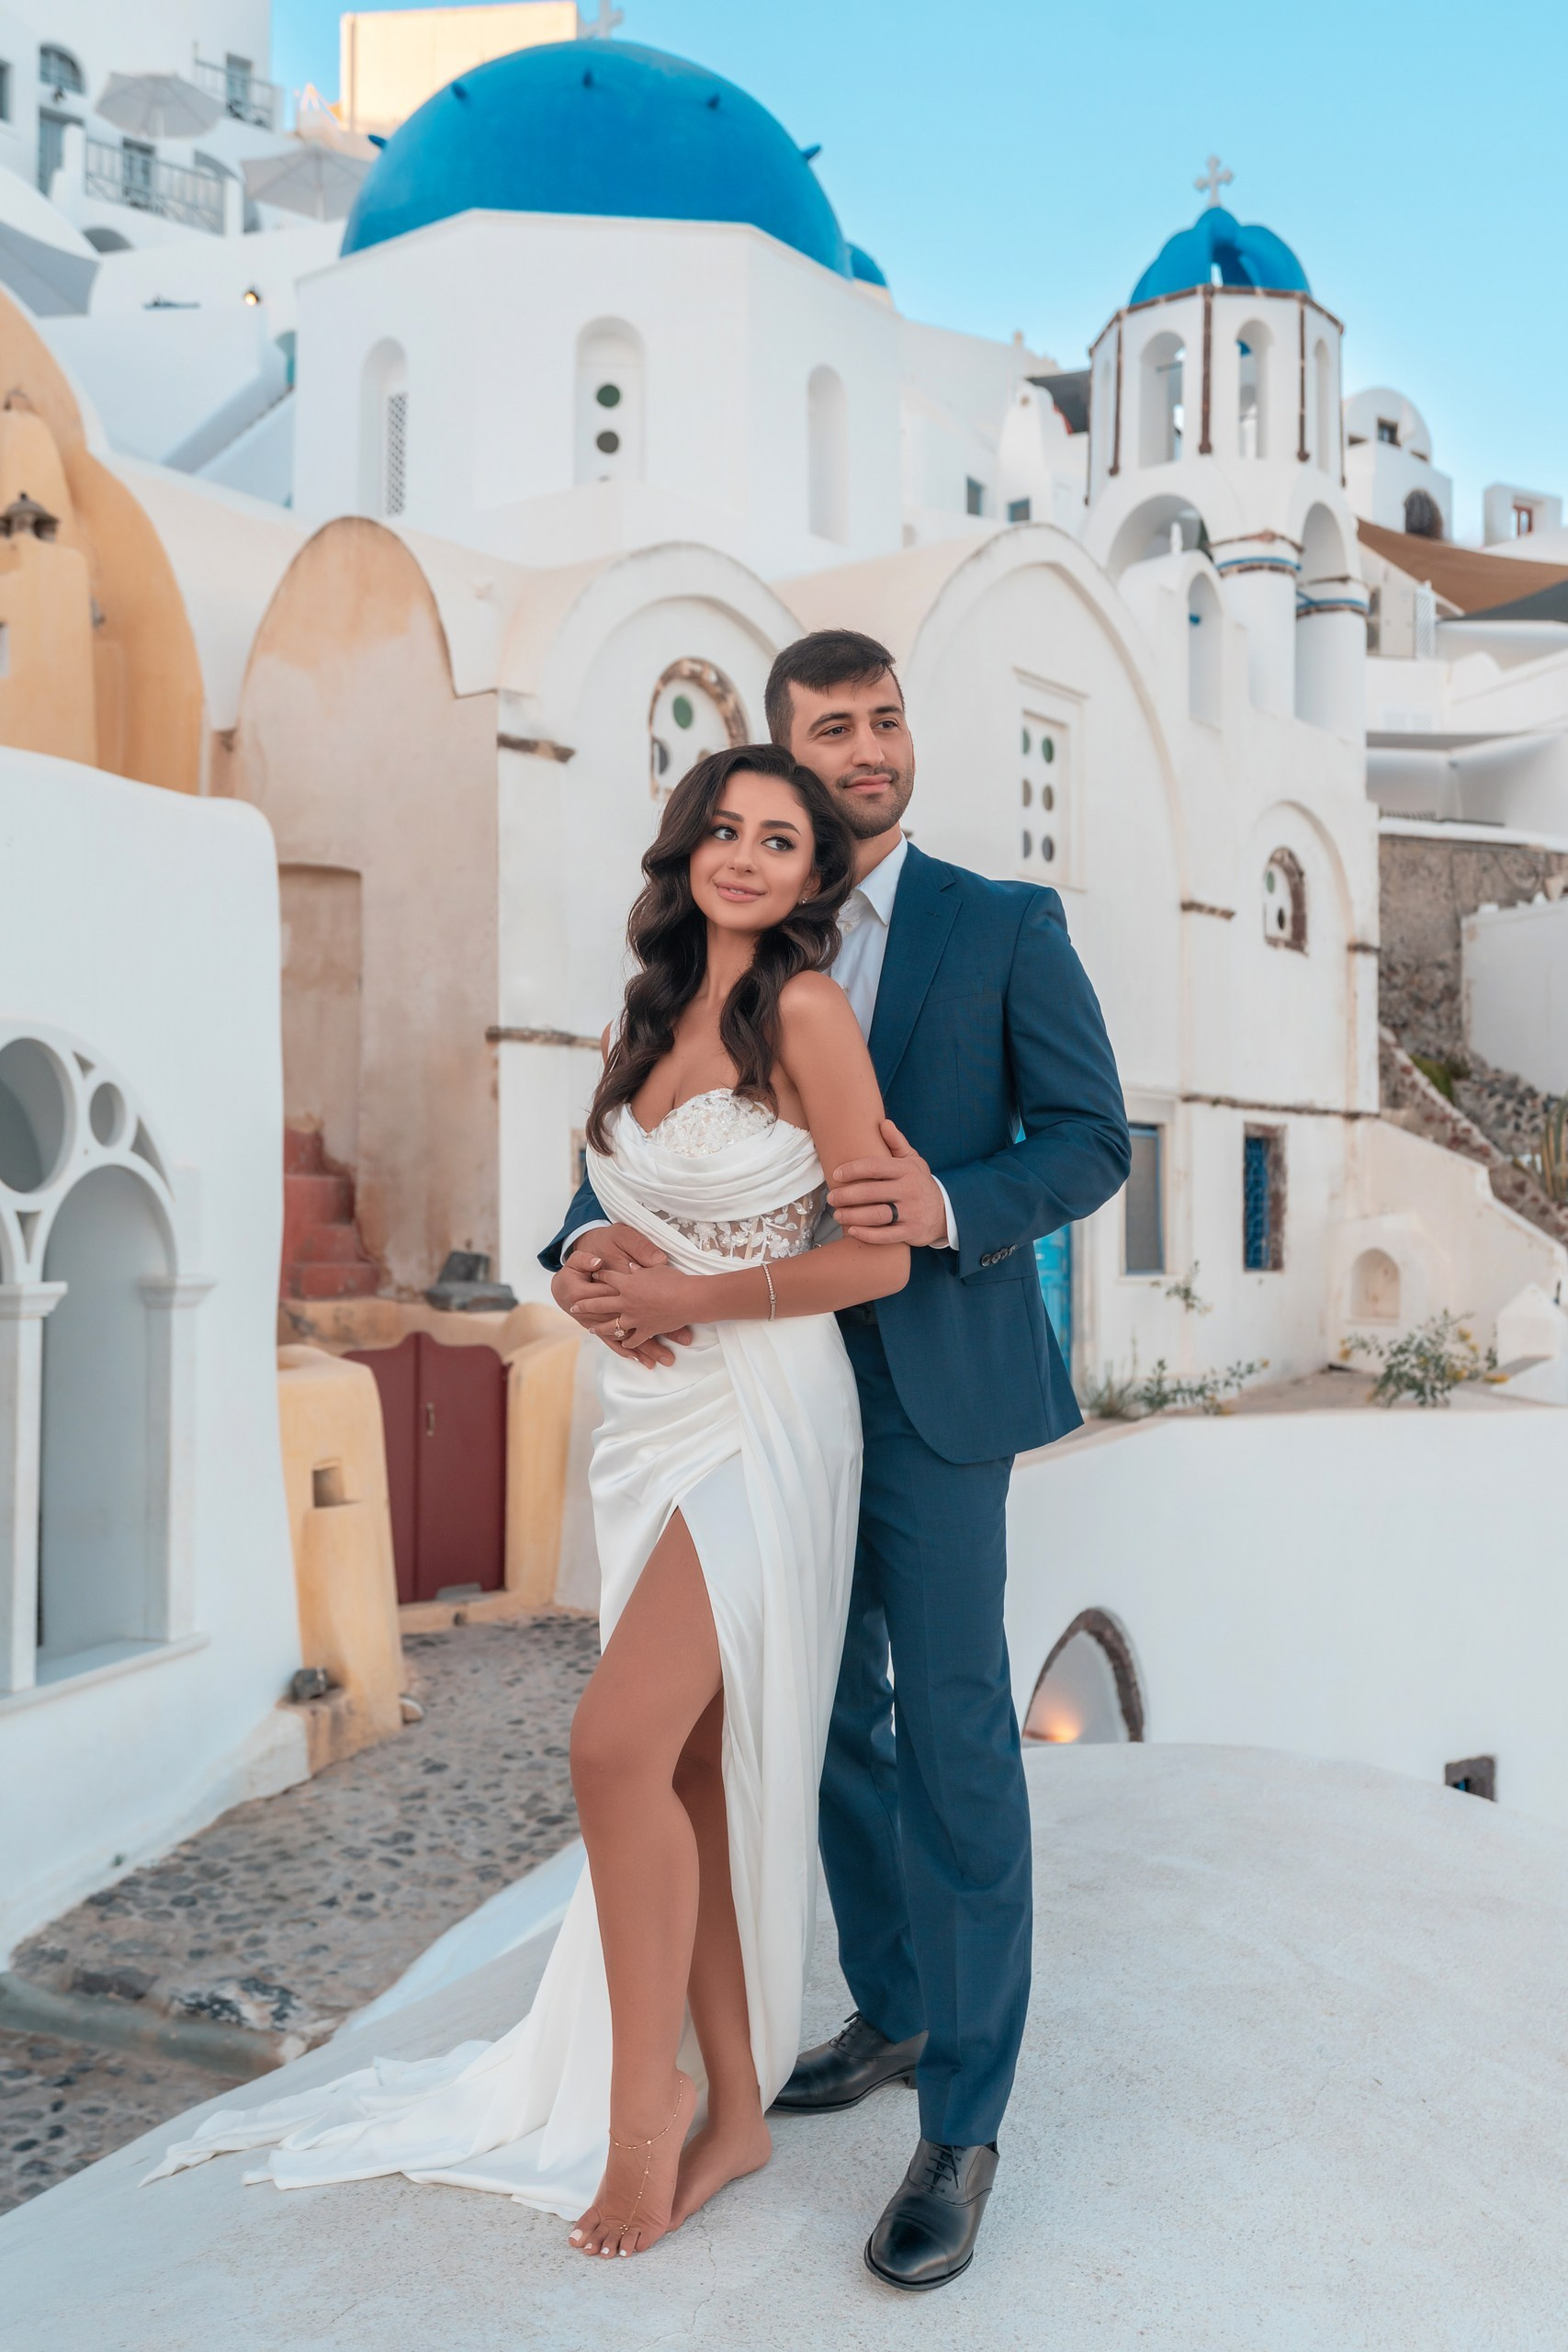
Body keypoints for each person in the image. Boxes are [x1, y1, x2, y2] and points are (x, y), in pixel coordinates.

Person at [145, 742, 909, 2263]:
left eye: (781, 840)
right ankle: (737, 2108)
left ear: (814, 876)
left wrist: (688, 1293)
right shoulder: (641, 1021)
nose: (746, 856)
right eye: (724, 828)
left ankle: (644, 2111)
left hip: (766, 1414)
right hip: (650, 1418)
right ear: (684, 846)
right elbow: (604, 1217)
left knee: (612, 1744)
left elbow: (874, 1256)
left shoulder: (809, 1015)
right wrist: (588, 1274)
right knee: (684, 1765)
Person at [549, 629, 1131, 2291]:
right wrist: (577, 1256)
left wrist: (947, 1202)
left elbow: (1090, 1139)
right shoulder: (719, 956)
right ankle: (891, 2006)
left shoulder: (1003, 925)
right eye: (833, 729)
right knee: (814, 1731)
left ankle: (961, 2123)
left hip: (930, 1395)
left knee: (951, 1741)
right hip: (744, 1399)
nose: (870, 748)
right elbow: (638, 1161)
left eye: (887, 720)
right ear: (779, 756)